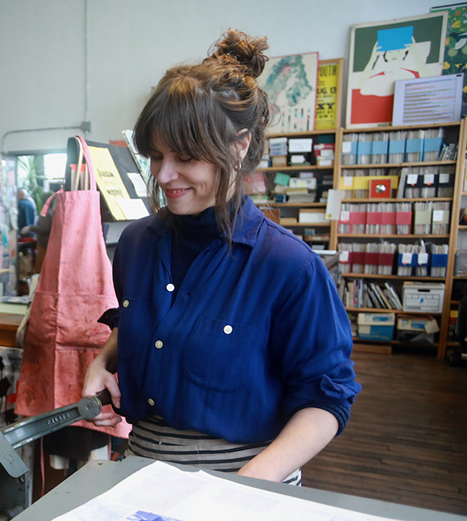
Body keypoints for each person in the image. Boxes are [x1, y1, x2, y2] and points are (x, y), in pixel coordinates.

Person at [82, 29, 360, 485]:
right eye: (155, 155)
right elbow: (148, 322)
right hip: (140, 472)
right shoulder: (135, 245)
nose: (165, 175)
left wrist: (245, 487)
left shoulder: (288, 267)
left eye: (186, 157)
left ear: (239, 145)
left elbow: (326, 398)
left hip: (249, 479)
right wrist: (102, 361)